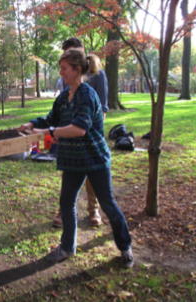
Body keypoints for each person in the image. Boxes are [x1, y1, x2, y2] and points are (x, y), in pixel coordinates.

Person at [20, 49, 133, 267]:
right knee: (66, 202)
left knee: (108, 204)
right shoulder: (64, 97)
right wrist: (32, 124)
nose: (61, 72)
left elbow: (79, 129)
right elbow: (50, 118)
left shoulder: (87, 95)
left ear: (77, 69)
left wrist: (49, 132)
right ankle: (68, 247)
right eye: (61, 68)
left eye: (64, 68)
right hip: (73, 161)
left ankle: (125, 247)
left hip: (94, 159)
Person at [52, 37, 109, 228]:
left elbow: (102, 109)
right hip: (70, 136)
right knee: (69, 177)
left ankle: (93, 210)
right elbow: (61, 107)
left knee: (93, 177)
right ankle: (64, 211)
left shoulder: (98, 75)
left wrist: (87, 132)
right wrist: (59, 131)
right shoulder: (65, 76)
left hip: (89, 137)